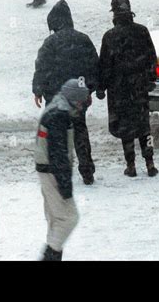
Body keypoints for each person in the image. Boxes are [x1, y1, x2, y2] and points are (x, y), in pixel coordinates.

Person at [33, 0, 99, 185]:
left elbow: (42, 67)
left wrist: (38, 89)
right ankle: (87, 171)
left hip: (55, 97)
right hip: (78, 96)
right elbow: (93, 66)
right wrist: (90, 90)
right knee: (79, 130)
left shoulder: (50, 43)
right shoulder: (83, 39)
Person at [98, 0, 158, 178]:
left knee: (126, 127)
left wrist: (101, 87)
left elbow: (104, 65)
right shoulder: (142, 31)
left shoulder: (110, 36)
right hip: (139, 86)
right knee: (144, 126)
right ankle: (150, 163)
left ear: (114, 13)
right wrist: (150, 79)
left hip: (120, 89)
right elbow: (152, 58)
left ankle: (130, 165)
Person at [35, 79, 89, 260]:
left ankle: (53, 254)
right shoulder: (59, 115)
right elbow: (58, 154)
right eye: (81, 101)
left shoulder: (55, 107)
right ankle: (50, 256)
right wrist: (65, 185)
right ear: (73, 99)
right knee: (68, 218)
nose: (82, 106)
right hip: (52, 173)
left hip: (47, 170)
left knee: (55, 219)